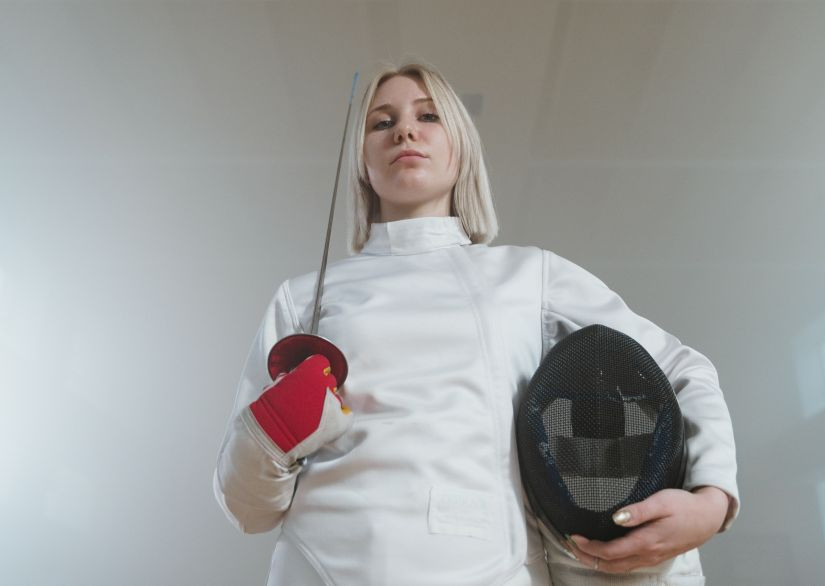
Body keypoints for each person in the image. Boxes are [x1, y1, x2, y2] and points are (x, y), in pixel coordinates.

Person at [213, 61, 739, 586]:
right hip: (321, 569)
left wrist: (711, 499)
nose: (404, 131)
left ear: (461, 148)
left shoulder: (527, 276)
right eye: (381, 122)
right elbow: (247, 508)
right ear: (361, 164)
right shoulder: (304, 299)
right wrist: (272, 433)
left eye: (428, 116)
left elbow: (681, 369)